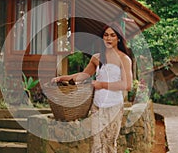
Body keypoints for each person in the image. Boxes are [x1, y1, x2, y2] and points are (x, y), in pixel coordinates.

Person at [52, 22, 133, 153]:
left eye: (112, 35)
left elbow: (127, 85)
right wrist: (62, 78)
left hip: (114, 107)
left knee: (110, 145)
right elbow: (83, 75)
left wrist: (101, 85)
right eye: (106, 35)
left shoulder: (124, 59)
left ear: (118, 38)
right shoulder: (97, 58)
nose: (108, 38)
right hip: (97, 106)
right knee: (95, 145)